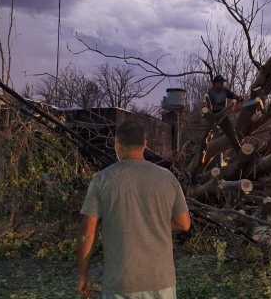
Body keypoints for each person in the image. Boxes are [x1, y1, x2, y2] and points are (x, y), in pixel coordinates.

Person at [77, 121, 192, 299]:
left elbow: (88, 233)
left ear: (118, 145)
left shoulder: (102, 179)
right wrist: (154, 224)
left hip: (121, 284)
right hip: (161, 282)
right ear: (145, 144)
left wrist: (83, 275)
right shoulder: (167, 177)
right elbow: (184, 224)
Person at [204, 75, 243, 156]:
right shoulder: (210, 93)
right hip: (213, 116)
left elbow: (233, 95)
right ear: (215, 83)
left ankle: (239, 151)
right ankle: (204, 153)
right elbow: (207, 106)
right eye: (220, 83)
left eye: (222, 83)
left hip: (223, 116)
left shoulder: (225, 90)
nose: (222, 84)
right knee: (209, 136)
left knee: (232, 134)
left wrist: (238, 98)